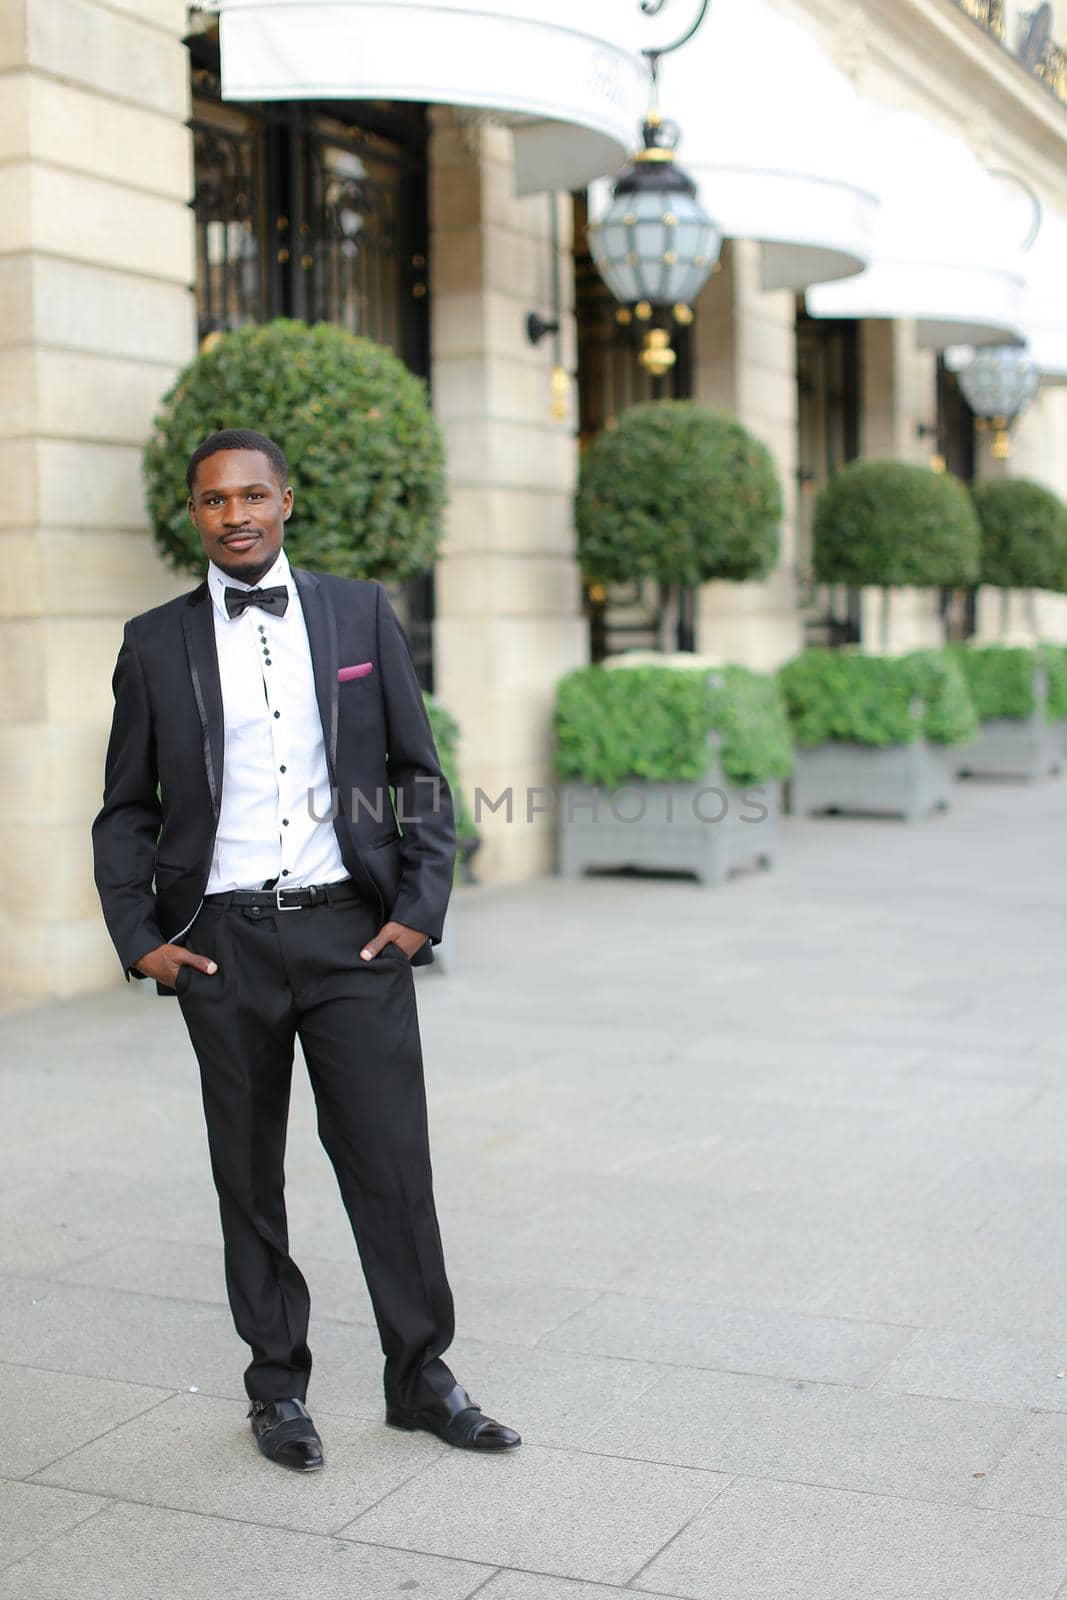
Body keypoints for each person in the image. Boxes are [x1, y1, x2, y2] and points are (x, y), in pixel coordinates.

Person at [92, 427, 519, 1471]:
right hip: (221, 946)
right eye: (211, 500)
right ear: (191, 515)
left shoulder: (359, 611)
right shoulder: (154, 642)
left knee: (391, 1164)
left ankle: (421, 1377)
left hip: (349, 935)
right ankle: (276, 1387)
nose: (233, 513)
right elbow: (123, 810)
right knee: (248, 1173)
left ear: (286, 500)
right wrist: (141, 937)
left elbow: (416, 771)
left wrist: (418, 908)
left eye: (251, 494)